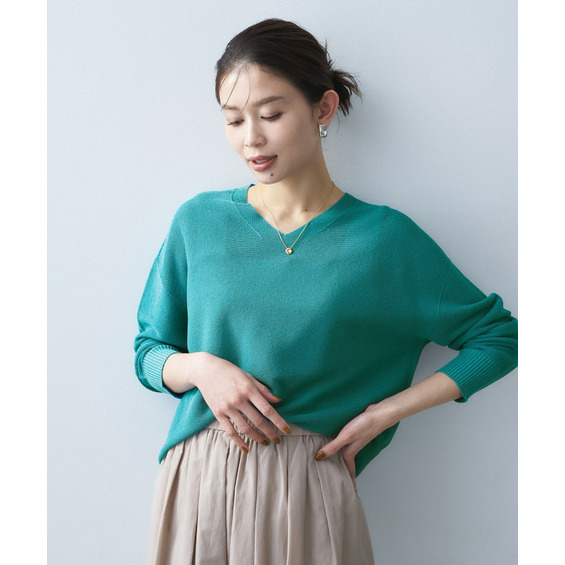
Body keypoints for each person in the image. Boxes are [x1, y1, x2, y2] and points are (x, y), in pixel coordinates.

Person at [134, 18, 518, 565]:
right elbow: (148, 352)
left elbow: (499, 338)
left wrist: (385, 413)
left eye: (271, 115)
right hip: (199, 482)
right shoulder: (199, 223)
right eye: (234, 119)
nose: (251, 139)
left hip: (310, 485)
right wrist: (200, 369)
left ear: (324, 108)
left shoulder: (383, 240)